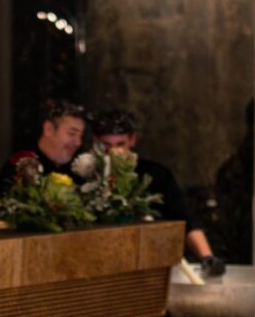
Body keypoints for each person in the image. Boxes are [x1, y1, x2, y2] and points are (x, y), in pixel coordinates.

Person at [90, 106, 217, 264]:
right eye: (106, 145)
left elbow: (185, 221)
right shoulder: (83, 175)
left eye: (120, 144)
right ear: (95, 141)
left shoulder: (156, 175)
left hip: (147, 260)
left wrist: (207, 257)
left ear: (132, 140)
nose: (113, 152)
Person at [13, 99, 88, 172]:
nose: (78, 143)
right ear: (49, 129)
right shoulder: (20, 168)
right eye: (72, 133)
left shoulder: (76, 172)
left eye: (81, 136)